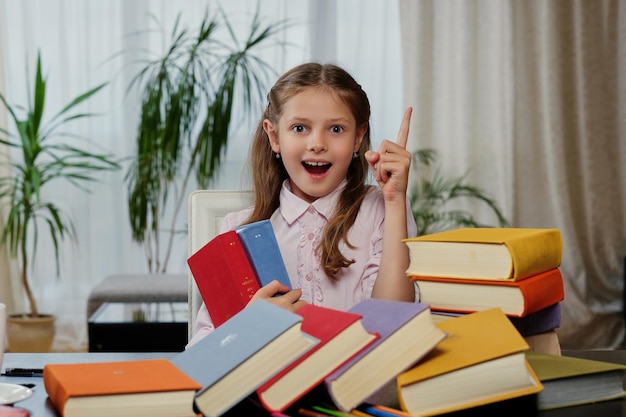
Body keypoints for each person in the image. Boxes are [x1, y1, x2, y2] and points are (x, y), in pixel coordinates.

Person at [188, 62, 417, 346]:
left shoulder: (381, 210)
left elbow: (394, 324)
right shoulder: (237, 230)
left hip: (355, 386)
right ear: (274, 136)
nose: (317, 143)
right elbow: (202, 351)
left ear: (358, 137)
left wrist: (394, 201)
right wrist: (252, 327)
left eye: (336, 128)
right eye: (299, 128)